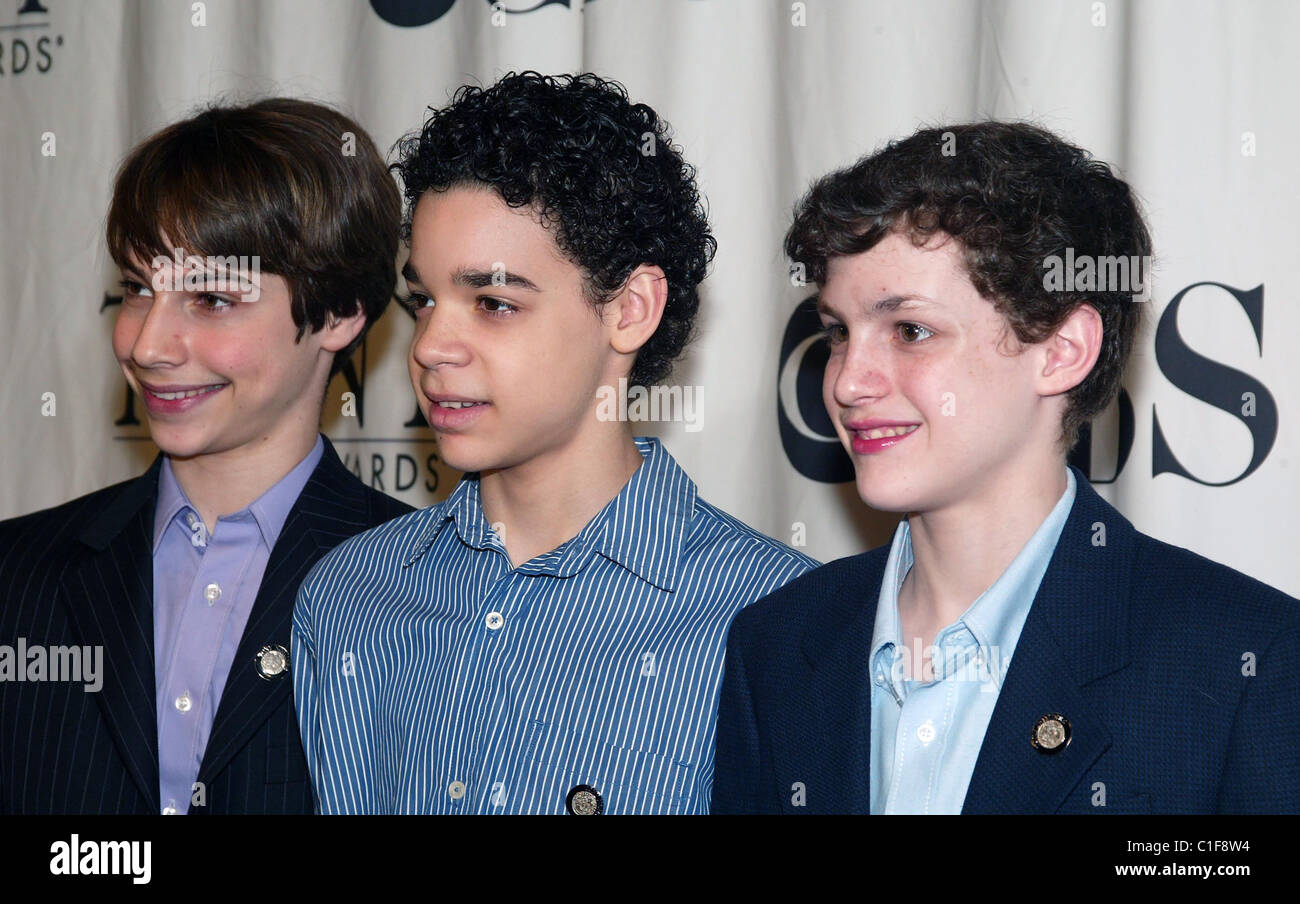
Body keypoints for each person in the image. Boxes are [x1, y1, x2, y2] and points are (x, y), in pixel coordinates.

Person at [712, 121, 1300, 814]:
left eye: (910, 331)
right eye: (839, 331)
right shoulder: (777, 643)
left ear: (1062, 351)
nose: (846, 382)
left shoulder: (1242, 662)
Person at [291, 71, 818, 814]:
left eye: (495, 303)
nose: (433, 345)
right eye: (423, 301)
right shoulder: (351, 599)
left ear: (630, 309)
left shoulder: (779, 617)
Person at [0, 98, 412, 814]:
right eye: (137, 289)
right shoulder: (17, 575)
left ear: (341, 312)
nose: (147, 344)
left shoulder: (426, 591)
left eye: (212, 299)